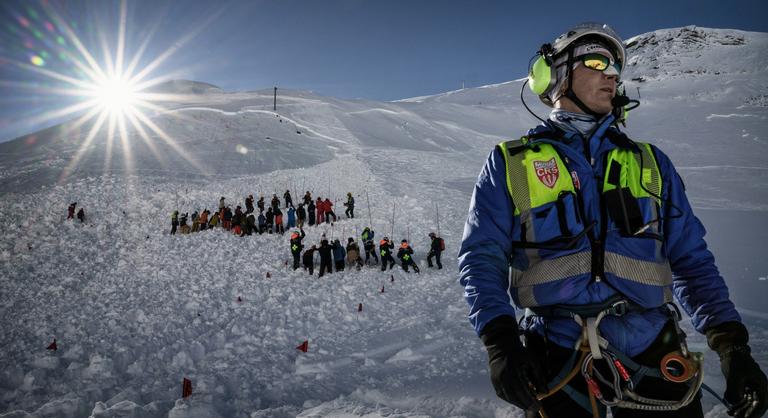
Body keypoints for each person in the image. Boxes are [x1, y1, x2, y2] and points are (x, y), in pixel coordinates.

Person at [457, 22, 767, 418]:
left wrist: (731, 345)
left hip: (653, 350)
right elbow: (482, 258)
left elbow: (692, 261)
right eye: (597, 62)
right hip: (555, 354)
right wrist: (499, 342)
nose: (612, 75)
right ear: (556, 76)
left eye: (616, 68)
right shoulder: (511, 163)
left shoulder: (651, 162)